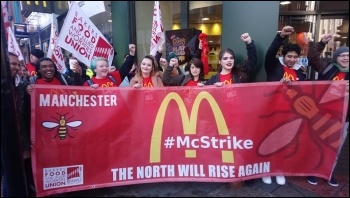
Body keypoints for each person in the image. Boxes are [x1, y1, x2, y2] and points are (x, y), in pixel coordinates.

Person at [262, 26, 306, 186]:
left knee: (285, 143)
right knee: (269, 142)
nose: (292, 59)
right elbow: (270, 53)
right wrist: (280, 37)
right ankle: (266, 170)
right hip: (272, 112)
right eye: (289, 56)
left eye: (295, 57)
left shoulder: (300, 72)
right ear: (283, 56)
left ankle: (279, 169)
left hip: (291, 114)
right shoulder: (274, 66)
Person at [306, 33, 349, 187]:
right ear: (336, 57)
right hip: (323, 114)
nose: (345, 58)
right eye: (342, 55)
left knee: (335, 148)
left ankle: (328, 172)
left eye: (348, 56)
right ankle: (313, 171)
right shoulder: (328, 68)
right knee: (318, 143)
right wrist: (321, 43)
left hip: (343, 119)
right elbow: (312, 58)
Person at [4, 52, 34, 196]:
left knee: (24, 170)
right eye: (12, 63)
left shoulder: (22, 86)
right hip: (5, 141)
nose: (15, 67)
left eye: (18, 64)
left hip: (22, 138)